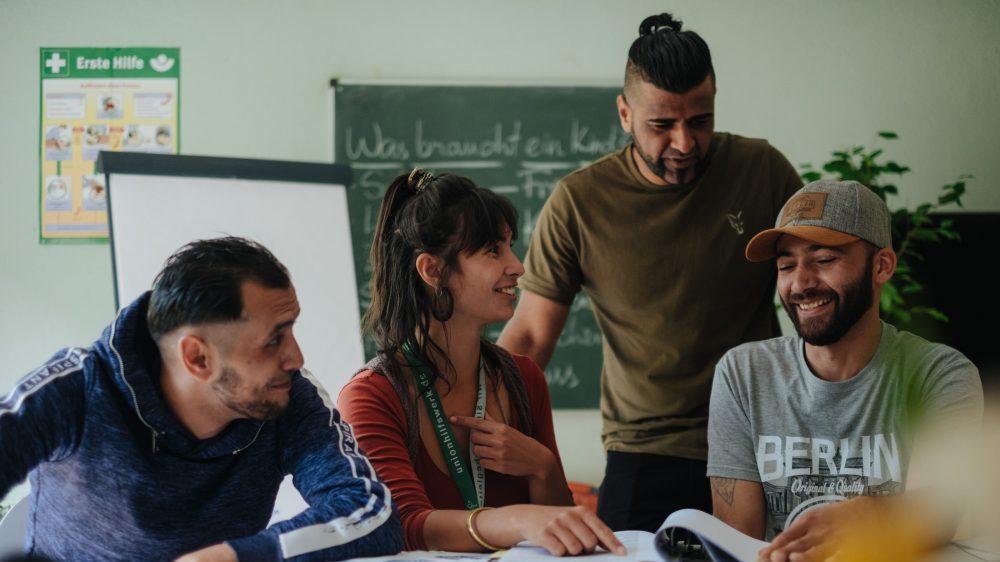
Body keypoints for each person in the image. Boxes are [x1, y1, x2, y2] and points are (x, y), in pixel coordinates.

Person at [498, 12, 803, 531]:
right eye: (661, 125)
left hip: (758, 440)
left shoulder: (763, 171)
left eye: (700, 120)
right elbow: (529, 334)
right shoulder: (580, 202)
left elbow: (815, 289)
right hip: (643, 449)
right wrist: (477, 420)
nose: (684, 143)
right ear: (624, 113)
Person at [0, 237, 402, 562]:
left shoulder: (289, 395)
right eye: (274, 339)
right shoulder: (76, 387)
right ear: (197, 357)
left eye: (292, 330)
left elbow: (370, 509)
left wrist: (235, 557)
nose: (296, 357)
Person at [338, 169, 625, 556]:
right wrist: (517, 519)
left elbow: (560, 530)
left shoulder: (524, 378)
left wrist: (541, 465)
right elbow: (402, 524)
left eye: (510, 245)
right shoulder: (372, 396)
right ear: (433, 270)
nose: (518, 266)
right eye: (493, 250)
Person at [707, 180, 983, 559]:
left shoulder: (940, 373)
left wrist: (867, 517)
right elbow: (737, 544)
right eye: (786, 265)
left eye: (823, 260)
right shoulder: (742, 375)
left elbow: (937, 513)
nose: (800, 283)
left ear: (881, 266)